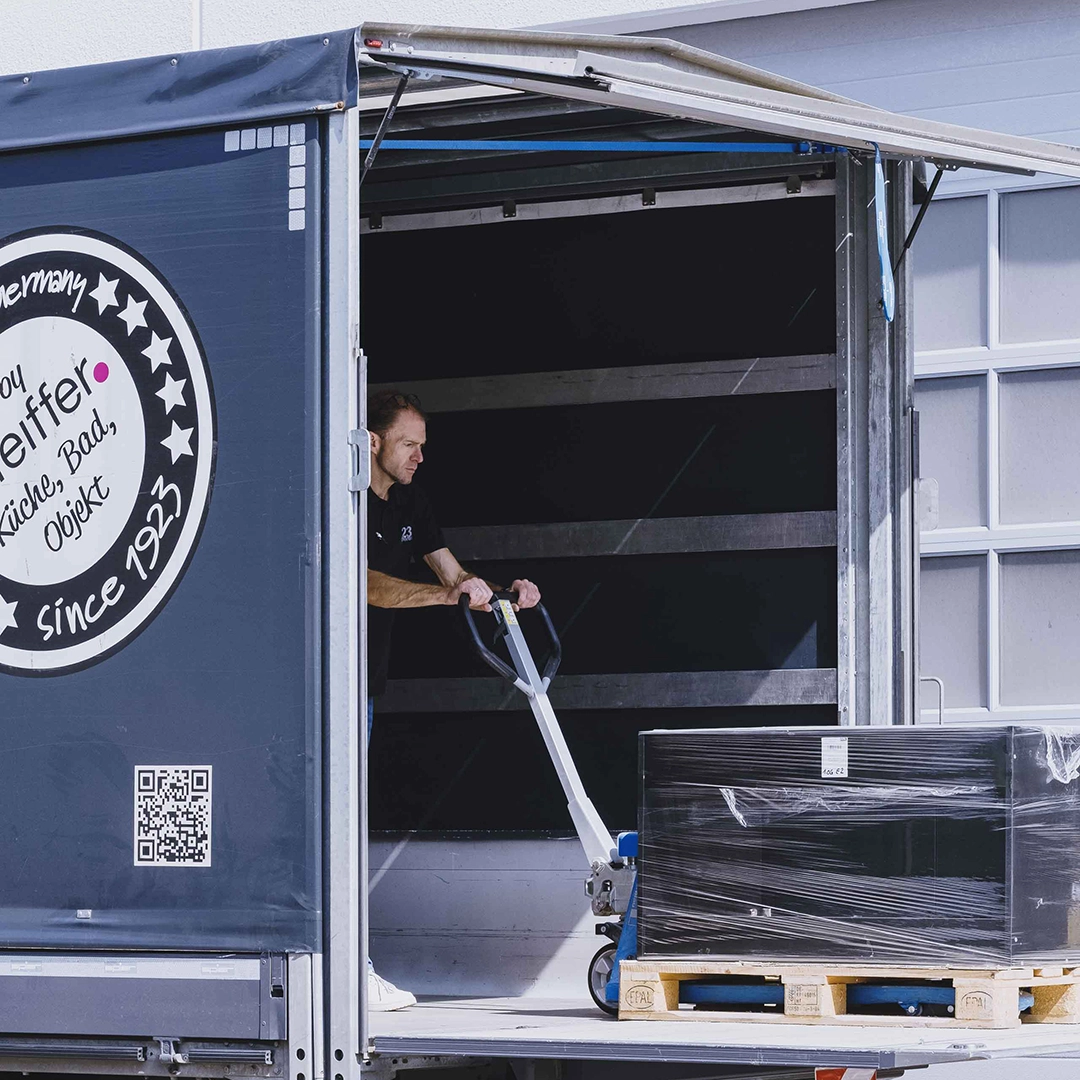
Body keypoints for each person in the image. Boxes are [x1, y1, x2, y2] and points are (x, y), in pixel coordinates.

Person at [365, 389, 541, 1011]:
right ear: (374, 442)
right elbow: (366, 586)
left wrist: (501, 592)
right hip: (321, 690)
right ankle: (347, 967)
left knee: (353, 816)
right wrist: (446, 599)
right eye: (409, 445)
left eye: (423, 446)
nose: (419, 457)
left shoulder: (413, 499)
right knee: (335, 824)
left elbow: (450, 573)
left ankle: (351, 962)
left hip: (366, 684)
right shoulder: (346, 496)